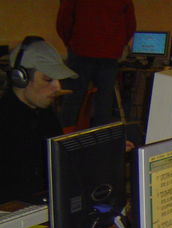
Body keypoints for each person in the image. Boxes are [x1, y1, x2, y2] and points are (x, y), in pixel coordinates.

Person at [0, 36, 78, 203]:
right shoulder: (6, 122)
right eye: (48, 79)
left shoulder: (45, 114)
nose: (58, 87)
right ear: (20, 78)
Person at [57, 0, 136, 128]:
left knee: (72, 98)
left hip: (81, 50)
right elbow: (130, 25)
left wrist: (71, 42)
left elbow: (64, 21)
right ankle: (100, 136)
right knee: (104, 102)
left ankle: (65, 134)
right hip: (109, 53)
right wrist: (117, 45)